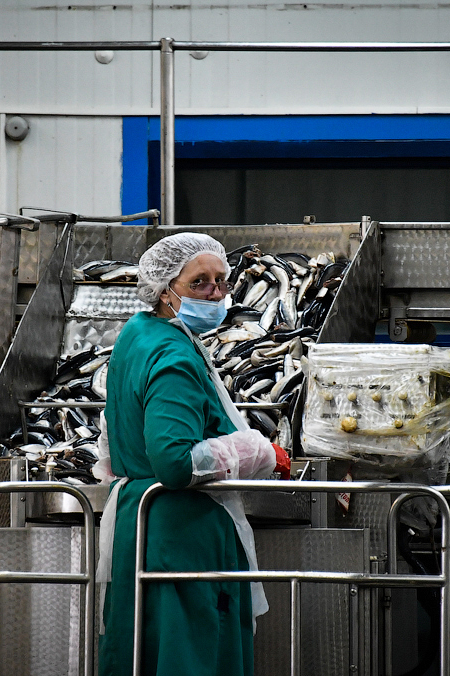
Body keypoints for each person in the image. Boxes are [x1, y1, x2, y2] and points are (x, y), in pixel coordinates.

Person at [96, 232, 290, 676]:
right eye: (199, 283)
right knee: (191, 655)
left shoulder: (137, 333)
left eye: (222, 281)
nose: (217, 293)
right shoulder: (172, 355)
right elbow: (175, 460)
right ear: (165, 290)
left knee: (142, 652)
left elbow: (116, 427)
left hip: (141, 526)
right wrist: (260, 451)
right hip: (183, 538)